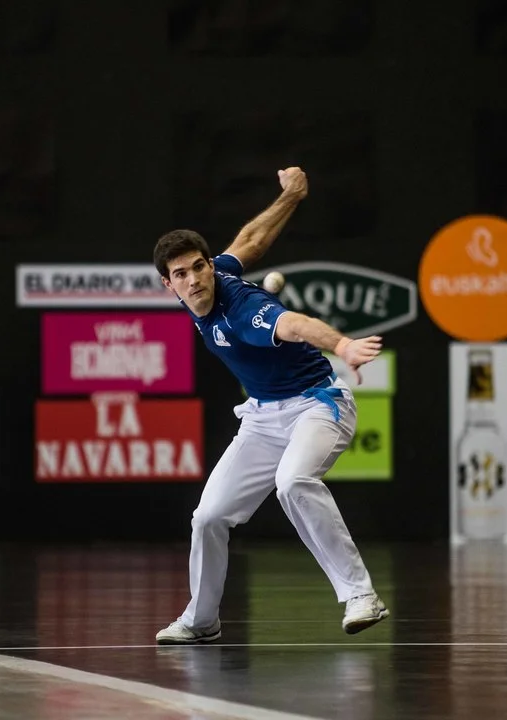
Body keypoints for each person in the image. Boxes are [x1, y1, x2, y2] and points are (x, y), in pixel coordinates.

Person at [152, 166, 390, 644]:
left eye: (199, 267)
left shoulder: (243, 310)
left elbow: (295, 325)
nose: (195, 279)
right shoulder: (209, 279)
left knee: (293, 482)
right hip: (262, 417)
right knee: (208, 517)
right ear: (169, 284)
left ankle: (360, 595)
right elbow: (252, 240)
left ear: (208, 266)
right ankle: (201, 621)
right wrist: (292, 196)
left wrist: (342, 345)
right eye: (182, 274)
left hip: (318, 405)